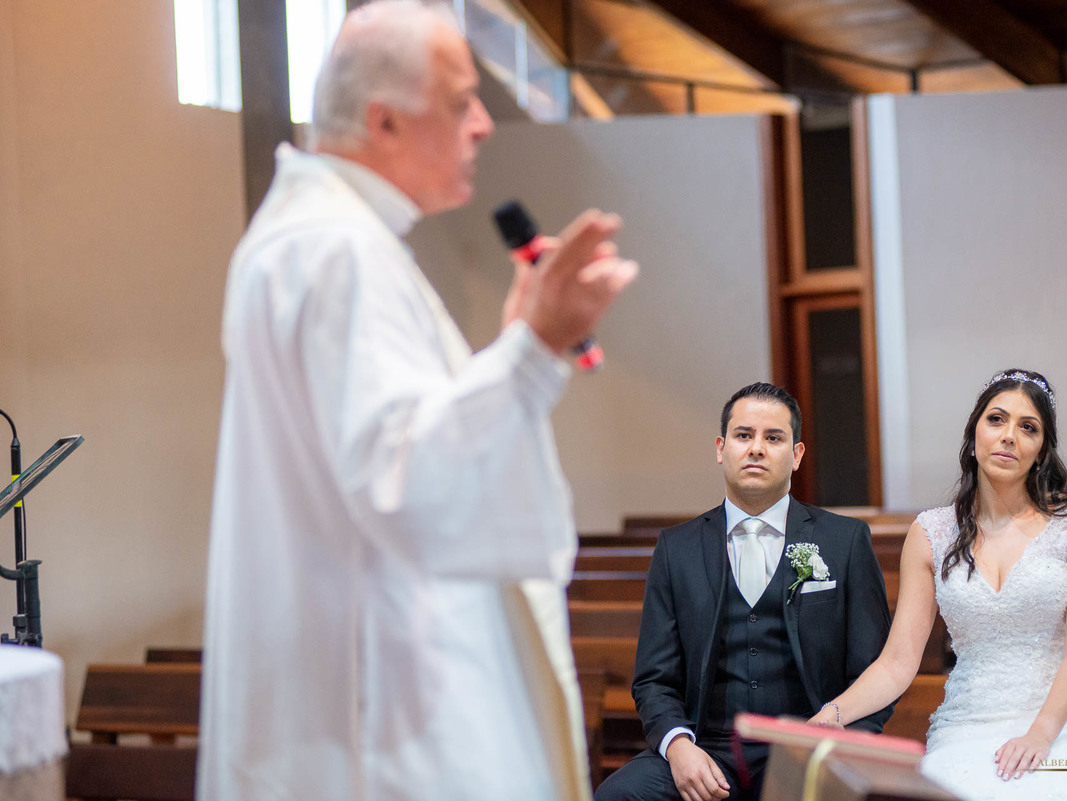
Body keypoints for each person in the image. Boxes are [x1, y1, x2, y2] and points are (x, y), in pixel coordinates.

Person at [197, 3, 637, 800]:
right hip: (380, 719)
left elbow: (392, 441)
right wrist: (533, 351)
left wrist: (513, 345)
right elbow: (405, 478)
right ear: (386, 121)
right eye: (460, 100)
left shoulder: (319, 238)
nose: (481, 125)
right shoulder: (336, 250)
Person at [809, 369, 1067, 800]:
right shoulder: (931, 534)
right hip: (968, 725)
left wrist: (1040, 735)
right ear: (974, 432)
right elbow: (898, 663)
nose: (1009, 435)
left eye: (1027, 427)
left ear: (1042, 450)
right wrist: (832, 714)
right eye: (996, 419)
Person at [595, 382, 892, 801]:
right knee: (619, 796)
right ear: (721, 448)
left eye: (773, 438)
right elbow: (653, 679)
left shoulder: (845, 541)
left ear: (797, 455)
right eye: (743, 435)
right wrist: (679, 748)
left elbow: (876, 671)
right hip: (707, 746)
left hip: (812, 745)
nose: (756, 449)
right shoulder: (677, 548)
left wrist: (837, 746)